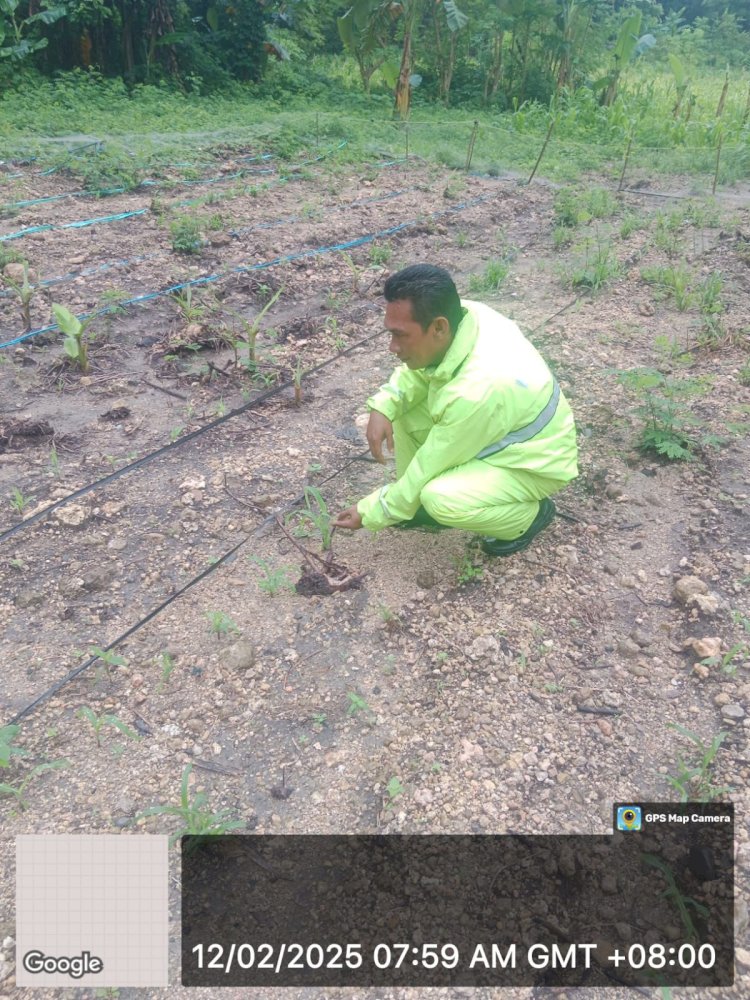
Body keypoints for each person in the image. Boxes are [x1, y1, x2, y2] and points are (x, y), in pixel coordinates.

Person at [333, 264, 578, 556]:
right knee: (404, 409)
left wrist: (372, 510)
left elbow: (431, 463)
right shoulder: (465, 315)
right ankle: (413, 507)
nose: (392, 347)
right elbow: (421, 370)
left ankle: (529, 517)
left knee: (440, 498)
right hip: (501, 428)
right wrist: (385, 405)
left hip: (533, 461)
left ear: (438, 327)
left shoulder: (478, 390)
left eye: (400, 336)